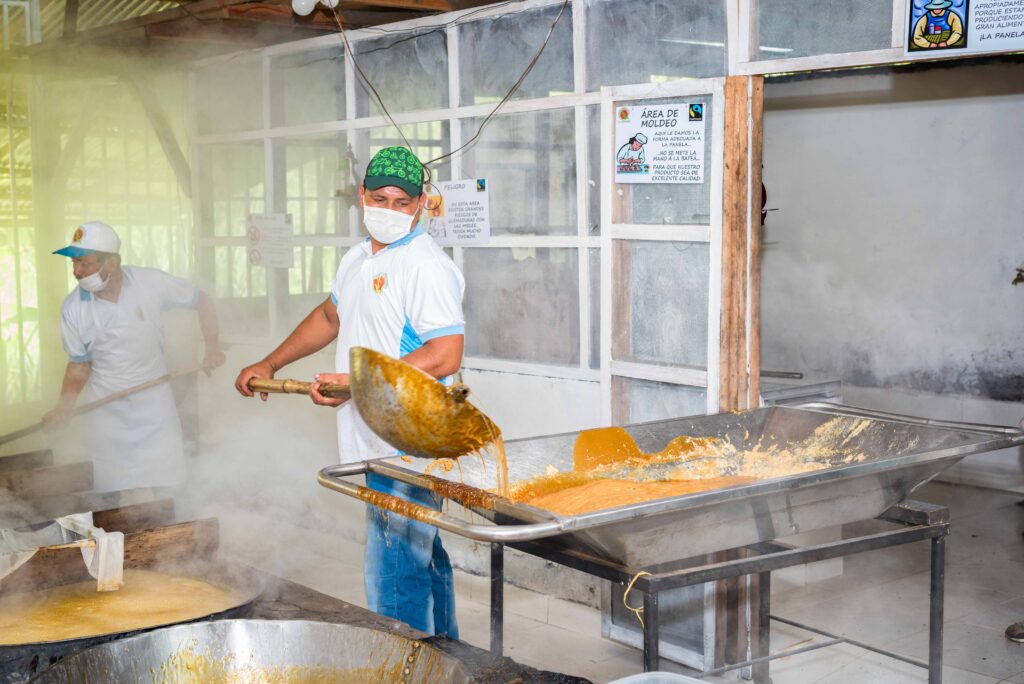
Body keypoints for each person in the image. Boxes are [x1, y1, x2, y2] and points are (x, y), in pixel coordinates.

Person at [234, 146, 465, 638]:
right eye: (379, 198)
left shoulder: (425, 265)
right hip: (377, 434)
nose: (390, 210)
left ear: (422, 203)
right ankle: (447, 659)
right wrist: (270, 362)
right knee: (422, 556)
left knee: (394, 577)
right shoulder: (359, 258)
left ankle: (407, 664)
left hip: (407, 442)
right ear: (362, 196)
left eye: (402, 202)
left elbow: (445, 353)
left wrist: (358, 383)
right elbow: (329, 318)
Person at [46, 221, 225, 496]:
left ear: (112, 262)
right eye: (74, 264)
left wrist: (212, 347)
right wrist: (64, 408)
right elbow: (79, 367)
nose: (76, 271)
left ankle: (171, 530)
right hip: (106, 408)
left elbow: (201, 299)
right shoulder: (73, 308)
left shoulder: (149, 282)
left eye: (84, 263)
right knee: (111, 486)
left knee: (166, 482)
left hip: (154, 401)